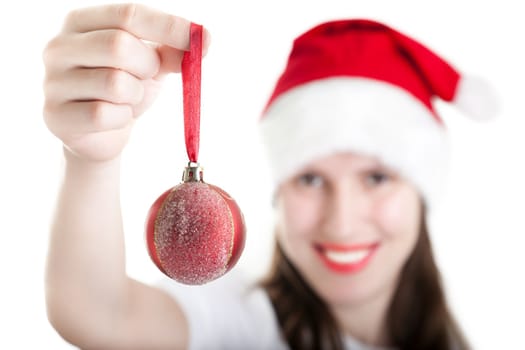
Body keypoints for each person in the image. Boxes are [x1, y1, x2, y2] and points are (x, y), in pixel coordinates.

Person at [43, 3, 497, 350]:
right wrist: (91, 162)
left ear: (423, 189)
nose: (342, 223)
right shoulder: (244, 320)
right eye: (311, 180)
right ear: (279, 190)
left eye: (376, 177)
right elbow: (97, 314)